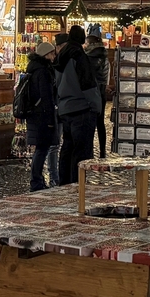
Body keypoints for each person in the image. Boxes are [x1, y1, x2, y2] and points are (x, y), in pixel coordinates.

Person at [55, 26, 102, 184]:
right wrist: (96, 106)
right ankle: (78, 187)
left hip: (65, 109)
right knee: (81, 153)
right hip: (81, 109)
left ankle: (64, 184)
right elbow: (87, 84)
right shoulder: (79, 56)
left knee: (67, 149)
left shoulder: (61, 56)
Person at [24, 42, 59, 191]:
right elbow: (46, 97)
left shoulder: (34, 68)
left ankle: (37, 180)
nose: (53, 57)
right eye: (51, 54)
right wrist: (51, 119)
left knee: (41, 148)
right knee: (42, 148)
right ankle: (36, 181)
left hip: (35, 114)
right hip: (42, 116)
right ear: (46, 55)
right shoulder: (43, 72)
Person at [86, 25, 111, 159]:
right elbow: (107, 74)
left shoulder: (88, 57)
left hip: (90, 90)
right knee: (100, 123)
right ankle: (102, 151)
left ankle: (89, 151)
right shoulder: (105, 56)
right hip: (101, 91)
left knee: (89, 122)